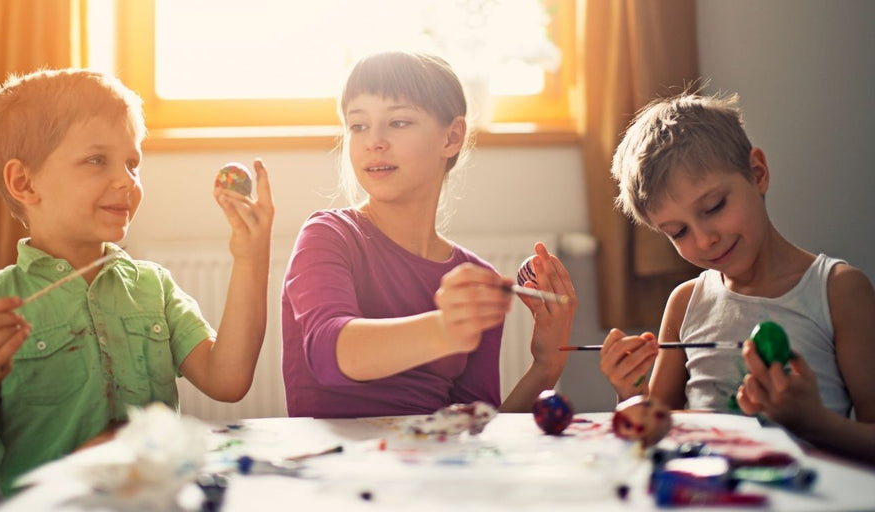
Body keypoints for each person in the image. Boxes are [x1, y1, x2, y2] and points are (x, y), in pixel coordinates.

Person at [0, 69, 275, 494]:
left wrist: (250, 259)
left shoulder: (152, 287)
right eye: (96, 160)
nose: (127, 179)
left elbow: (228, 380)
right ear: (24, 182)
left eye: (132, 162)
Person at [281, 51, 577, 419]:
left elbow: (474, 424)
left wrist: (546, 367)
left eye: (398, 122)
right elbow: (330, 353)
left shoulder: (476, 278)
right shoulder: (328, 235)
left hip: (431, 470)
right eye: (358, 126)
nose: (374, 140)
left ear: (451, 137)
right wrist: (445, 330)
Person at [600, 91, 875, 465]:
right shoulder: (685, 304)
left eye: (714, 207)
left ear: (757, 173)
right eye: (678, 232)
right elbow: (654, 428)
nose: (704, 239)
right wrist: (630, 393)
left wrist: (816, 423)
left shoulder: (839, 291)